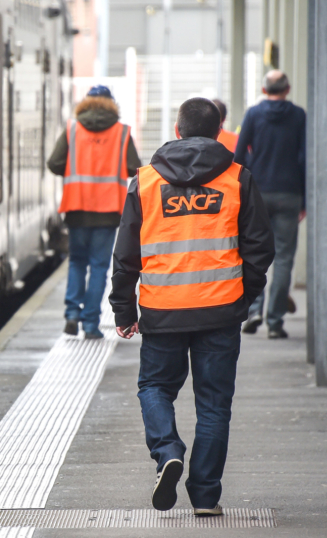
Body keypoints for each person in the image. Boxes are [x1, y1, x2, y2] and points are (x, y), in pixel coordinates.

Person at [110, 98, 274, 515]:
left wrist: (124, 311)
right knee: (215, 405)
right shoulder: (238, 178)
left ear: (178, 130)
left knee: (154, 388)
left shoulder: (145, 182)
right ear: (219, 131)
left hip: (162, 309)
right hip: (220, 310)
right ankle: (205, 497)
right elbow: (260, 248)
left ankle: (167, 451)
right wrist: (243, 296)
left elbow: (126, 254)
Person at [47, 85, 141, 339]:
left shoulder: (72, 129)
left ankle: (71, 314)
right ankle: (90, 324)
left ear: (86, 103)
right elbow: (135, 168)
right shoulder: (121, 132)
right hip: (108, 209)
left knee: (77, 261)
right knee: (99, 266)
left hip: (77, 207)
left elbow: (54, 163)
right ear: (111, 104)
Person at [234, 70, 306, 338]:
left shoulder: (253, 114)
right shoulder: (299, 115)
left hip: (258, 194)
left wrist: (253, 176)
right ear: (287, 89)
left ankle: (254, 310)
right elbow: (306, 157)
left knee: (254, 253)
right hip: (290, 193)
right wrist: (306, 199)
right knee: (284, 257)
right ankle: (275, 323)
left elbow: (239, 155)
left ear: (264, 90)